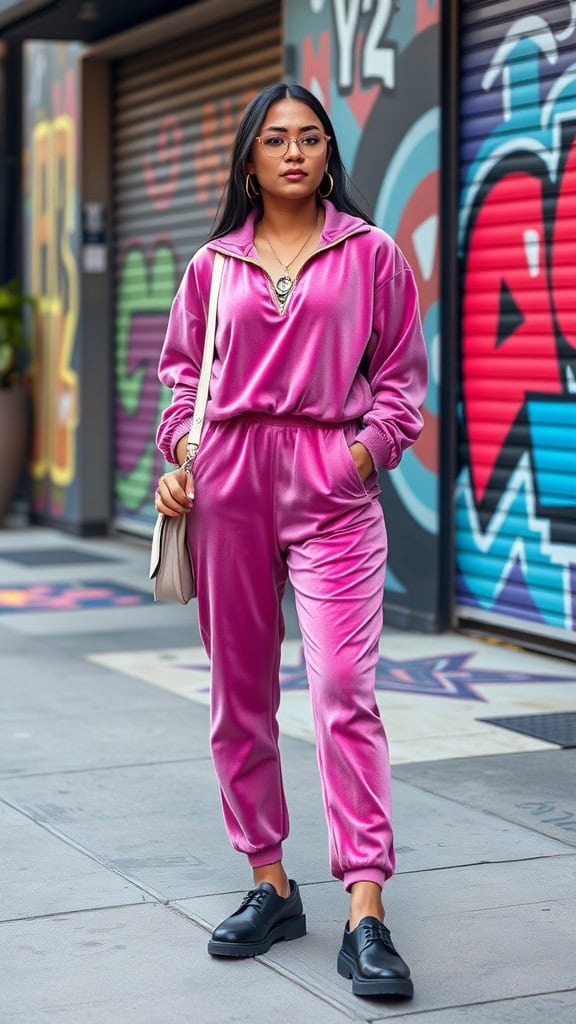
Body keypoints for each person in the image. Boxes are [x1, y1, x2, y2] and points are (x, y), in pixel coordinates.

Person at [154, 83, 428, 999]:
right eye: (277, 140)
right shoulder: (212, 267)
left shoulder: (371, 253)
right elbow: (182, 379)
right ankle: (270, 883)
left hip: (331, 489)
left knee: (344, 688)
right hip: (229, 489)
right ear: (250, 160)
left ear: (327, 155)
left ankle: (367, 912)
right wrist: (184, 450)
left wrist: (358, 457)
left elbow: (400, 381)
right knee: (238, 694)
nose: (296, 152)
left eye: (311, 138)